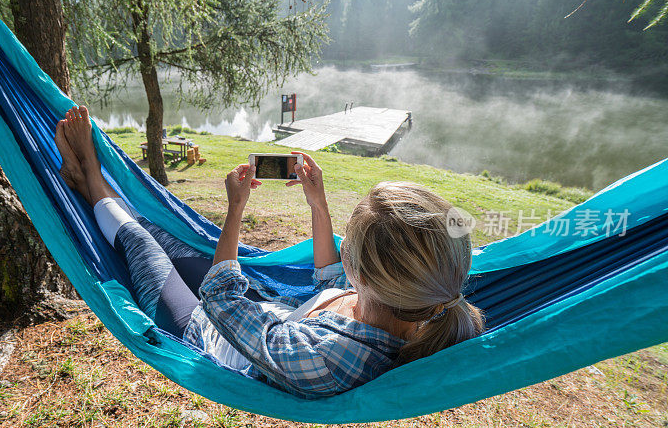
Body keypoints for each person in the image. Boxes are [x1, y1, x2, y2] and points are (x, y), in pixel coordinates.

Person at [56, 106, 485, 399]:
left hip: (205, 331)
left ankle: (90, 174)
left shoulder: (325, 358)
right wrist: (318, 203)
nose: (343, 256)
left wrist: (236, 208)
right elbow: (333, 280)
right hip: (256, 307)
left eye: (347, 246)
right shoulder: (412, 302)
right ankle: (96, 192)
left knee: (140, 243)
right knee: (162, 229)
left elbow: (220, 298)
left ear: (366, 276)